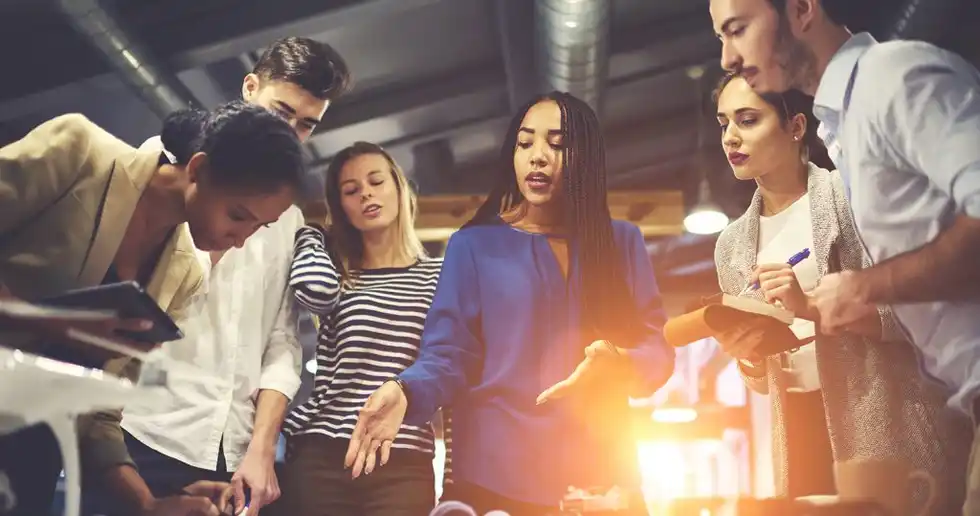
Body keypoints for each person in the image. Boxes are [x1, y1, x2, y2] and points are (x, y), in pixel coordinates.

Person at [344, 92, 675, 515]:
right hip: (494, 476)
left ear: (587, 157)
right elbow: (448, 354)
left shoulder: (621, 242)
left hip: (601, 477)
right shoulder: (473, 245)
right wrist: (406, 390)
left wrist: (621, 363)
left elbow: (657, 349)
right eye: (525, 143)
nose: (537, 157)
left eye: (557, 144)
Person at [709, 0, 980, 510]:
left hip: (898, 426)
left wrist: (857, 291)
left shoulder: (891, 81)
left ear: (802, 10)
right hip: (830, 432)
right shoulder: (842, 125)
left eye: (738, 29)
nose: (727, 56)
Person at [0, 100, 305, 516]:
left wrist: (149, 503)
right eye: (238, 215)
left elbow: (98, 411)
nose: (240, 240)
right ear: (197, 170)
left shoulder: (182, 271)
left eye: (258, 227)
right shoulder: (80, 153)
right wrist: (45, 320)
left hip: (29, 462)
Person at [115, 36, 352, 515]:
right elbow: (135, 292)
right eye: (281, 112)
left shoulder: (287, 218)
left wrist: (263, 447)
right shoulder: (170, 162)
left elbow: (283, 341)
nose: (292, 132)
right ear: (249, 87)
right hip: (145, 423)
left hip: (234, 448)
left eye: (307, 125)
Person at [272, 141, 441, 515]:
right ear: (342, 208)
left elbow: (449, 361)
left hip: (402, 455)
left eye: (376, 181)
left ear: (399, 188)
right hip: (323, 454)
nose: (366, 192)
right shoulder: (338, 274)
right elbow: (314, 294)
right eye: (351, 190)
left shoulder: (440, 275)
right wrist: (314, 235)